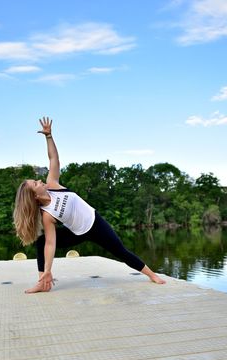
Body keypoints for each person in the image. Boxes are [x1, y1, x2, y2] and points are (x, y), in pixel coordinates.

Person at [14, 117, 166, 293]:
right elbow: (50, 243)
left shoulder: (53, 185)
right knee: (41, 242)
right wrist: (48, 270)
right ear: (34, 196)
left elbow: (53, 158)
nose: (40, 180)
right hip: (76, 232)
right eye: (36, 183)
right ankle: (43, 281)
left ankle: (152, 274)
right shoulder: (47, 214)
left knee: (120, 251)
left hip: (95, 222)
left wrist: (49, 137)